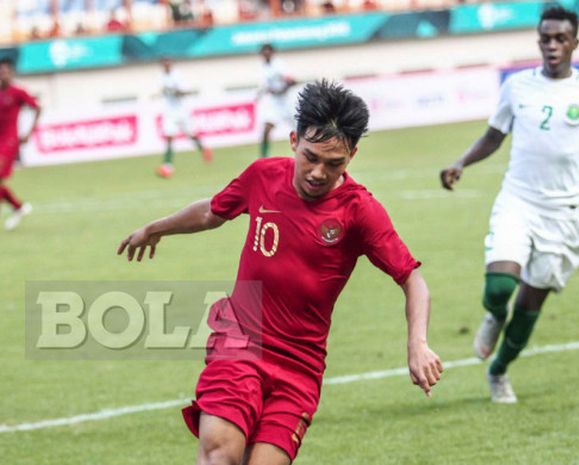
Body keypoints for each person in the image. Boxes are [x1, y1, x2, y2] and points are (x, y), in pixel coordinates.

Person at [118, 80, 443, 464]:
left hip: (300, 366)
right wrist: (155, 228)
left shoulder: (359, 210)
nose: (318, 172)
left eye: (334, 163)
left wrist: (417, 343)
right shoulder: (262, 176)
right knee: (221, 451)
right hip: (240, 338)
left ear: (352, 155)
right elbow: (211, 212)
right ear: (293, 140)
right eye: (311, 157)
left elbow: (412, 280)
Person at [440, 7, 579, 404]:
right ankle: (494, 315)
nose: (551, 45)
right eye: (545, 38)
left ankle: (498, 371)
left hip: (562, 214)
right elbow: (493, 136)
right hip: (518, 200)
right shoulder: (517, 87)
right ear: (538, 41)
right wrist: (460, 162)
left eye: (559, 39)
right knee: (500, 286)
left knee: (531, 304)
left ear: (574, 43)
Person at [0, 58, 41, 231]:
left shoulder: (18, 92)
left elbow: (37, 108)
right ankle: (19, 207)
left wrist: (29, 133)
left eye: (6, 72)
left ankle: (18, 207)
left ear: (11, 73)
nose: (3, 74)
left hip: (9, 141)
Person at [156, 58, 212, 178]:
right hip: (170, 112)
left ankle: (204, 149)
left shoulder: (177, 75)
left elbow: (185, 92)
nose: (166, 65)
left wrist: (176, 91)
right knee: (169, 137)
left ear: (171, 63)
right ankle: (167, 167)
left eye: (167, 63)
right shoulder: (161, 77)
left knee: (190, 135)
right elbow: (163, 91)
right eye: (163, 64)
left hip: (182, 111)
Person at [257, 43, 296, 158]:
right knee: (266, 129)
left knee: (299, 129)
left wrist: (282, 90)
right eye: (264, 52)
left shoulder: (279, 65)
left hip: (287, 101)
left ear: (272, 52)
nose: (266, 54)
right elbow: (267, 86)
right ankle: (263, 157)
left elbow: (292, 81)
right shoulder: (264, 67)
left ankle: (306, 151)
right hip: (275, 104)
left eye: (268, 51)